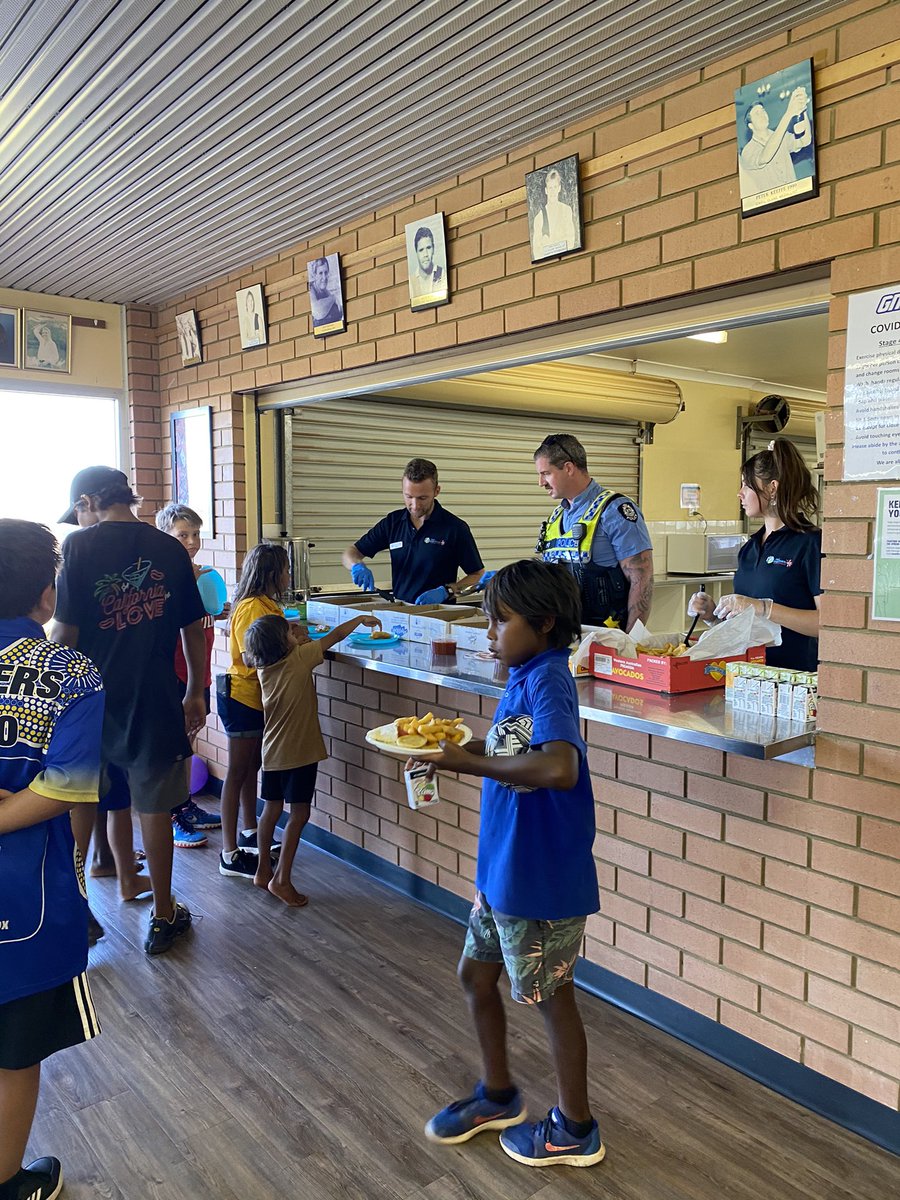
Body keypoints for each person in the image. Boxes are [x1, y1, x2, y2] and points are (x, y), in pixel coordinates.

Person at [414, 559, 604, 1168]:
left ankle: (576, 1128)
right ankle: (498, 1094)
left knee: (553, 997)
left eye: (500, 620)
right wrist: (461, 751)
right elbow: (514, 752)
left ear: (544, 624)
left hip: (540, 878)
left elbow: (558, 767)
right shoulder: (522, 674)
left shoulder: (549, 679)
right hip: (502, 870)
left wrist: (468, 765)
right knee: (476, 976)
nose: (489, 630)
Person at [51, 466, 207, 956]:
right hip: (156, 694)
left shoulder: (76, 548)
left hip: (88, 697)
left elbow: (66, 633)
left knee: (81, 800)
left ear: (89, 502)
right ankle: (163, 915)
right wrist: (196, 691)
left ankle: (80, 913)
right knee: (155, 806)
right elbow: (191, 628)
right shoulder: (168, 548)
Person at [0, 519, 103, 1200]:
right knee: (14, 1053)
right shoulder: (68, 670)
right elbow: (67, 787)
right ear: (48, 591)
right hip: (23, 903)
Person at [242, 610, 381, 906]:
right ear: (285, 644)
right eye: (290, 632)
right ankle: (282, 879)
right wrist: (359, 620)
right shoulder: (300, 658)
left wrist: (295, 639)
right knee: (300, 814)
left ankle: (263, 869)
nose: (296, 631)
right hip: (299, 751)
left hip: (272, 751)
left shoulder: (265, 667)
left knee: (271, 809)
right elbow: (335, 637)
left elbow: (289, 643)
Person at [687, 439, 822, 670]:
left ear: (772, 488)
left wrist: (764, 608)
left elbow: (827, 624)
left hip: (792, 678)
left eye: (746, 486)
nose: (739, 494)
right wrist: (713, 616)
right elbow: (747, 628)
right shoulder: (750, 548)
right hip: (747, 677)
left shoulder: (810, 543)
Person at [155, 503, 231, 849]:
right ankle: (172, 816)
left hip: (197, 672)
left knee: (187, 742)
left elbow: (203, 621)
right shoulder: (165, 578)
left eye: (196, 534)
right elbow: (168, 625)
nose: (191, 541)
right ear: (165, 538)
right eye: (182, 535)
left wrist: (217, 611)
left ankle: (185, 805)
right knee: (171, 746)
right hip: (172, 673)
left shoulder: (201, 575)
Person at [216, 541, 290, 880]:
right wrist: (288, 644)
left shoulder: (264, 604)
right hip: (242, 697)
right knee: (237, 771)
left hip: (253, 698)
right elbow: (249, 655)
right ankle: (229, 854)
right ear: (272, 574)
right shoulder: (252, 608)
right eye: (286, 570)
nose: (289, 576)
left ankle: (249, 832)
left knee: (250, 767)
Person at [534, 433, 653, 631]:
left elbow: (642, 580)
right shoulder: (557, 516)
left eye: (546, 473)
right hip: (562, 636)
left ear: (569, 468)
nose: (541, 482)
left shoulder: (615, 511)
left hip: (605, 638)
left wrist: (630, 641)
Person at [342, 458, 488, 605]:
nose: (415, 505)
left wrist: (448, 590)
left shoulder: (455, 528)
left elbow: (477, 575)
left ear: (436, 491)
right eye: (409, 497)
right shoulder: (393, 522)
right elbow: (351, 552)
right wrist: (356, 565)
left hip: (438, 615)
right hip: (401, 613)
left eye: (422, 498)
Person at [738, 87, 812, 198]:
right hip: (772, 206)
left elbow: (805, 141)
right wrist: (788, 114)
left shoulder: (782, 136)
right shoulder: (747, 151)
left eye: (763, 110)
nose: (762, 114)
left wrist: (801, 109)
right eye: (757, 113)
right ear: (751, 126)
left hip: (795, 196)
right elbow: (765, 157)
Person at [530, 166, 577, 258]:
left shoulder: (566, 210)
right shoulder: (539, 218)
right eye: (550, 188)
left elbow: (570, 240)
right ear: (546, 190)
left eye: (555, 187)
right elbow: (536, 251)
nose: (553, 191)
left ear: (559, 188)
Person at [308, 257, 344, 330]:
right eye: (320, 273)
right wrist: (333, 298)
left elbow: (339, 309)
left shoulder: (325, 291)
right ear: (315, 275)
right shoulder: (311, 290)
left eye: (326, 272)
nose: (324, 277)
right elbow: (317, 311)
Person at [409, 227, 444, 300]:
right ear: (416, 253)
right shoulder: (411, 282)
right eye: (421, 250)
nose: (425, 254)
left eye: (428, 248)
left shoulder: (443, 274)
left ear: (433, 248)